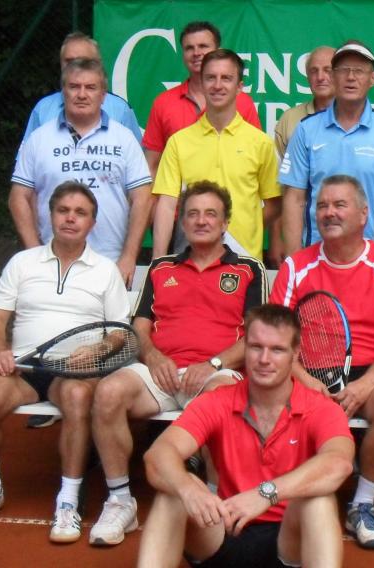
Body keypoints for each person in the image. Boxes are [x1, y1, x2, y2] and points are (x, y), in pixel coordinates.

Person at [88, 181, 267, 546]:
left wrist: (213, 363)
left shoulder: (249, 269)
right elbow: (139, 328)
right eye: (193, 214)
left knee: (223, 399)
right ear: (182, 222)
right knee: (108, 392)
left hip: (216, 374)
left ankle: (217, 502)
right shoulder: (160, 267)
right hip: (161, 375)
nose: (201, 221)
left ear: (225, 223)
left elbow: (257, 334)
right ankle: (121, 501)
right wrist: (153, 357)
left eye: (211, 214)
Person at [0, 182, 130, 544]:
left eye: (80, 213)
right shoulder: (22, 263)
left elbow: (119, 333)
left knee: (77, 397)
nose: (70, 218)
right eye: (63, 210)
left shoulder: (105, 270)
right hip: (23, 371)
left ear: (92, 222)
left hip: (73, 372)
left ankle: (67, 501)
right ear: (51, 216)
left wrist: (97, 349)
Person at [137, 304, 354, 568]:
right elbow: (158, 455)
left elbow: (338, 464)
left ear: (295, 353)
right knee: (173, 491)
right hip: (227, 529)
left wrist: (266, 494)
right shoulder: (217, 401)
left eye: (277, 350)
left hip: (289, 541)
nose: (264, 359)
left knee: (318, 500)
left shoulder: (320, 408)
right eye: (255, 347)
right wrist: (188, 488)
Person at [270, 174, 374, 549]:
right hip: (308, 372)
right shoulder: (295, 267)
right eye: (322, 206)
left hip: (372, 372)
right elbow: (275, 335)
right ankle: (283, 502)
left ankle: (361, 504)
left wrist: (366, 385)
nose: (329, 213)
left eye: (339, 205)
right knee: (269, 403)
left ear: (363, 214)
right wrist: (304, 379)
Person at [10, 57, 152, 289]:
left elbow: (143, 198)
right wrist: (35, 253)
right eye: (74, 87)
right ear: (63, 92)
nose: (82, 94)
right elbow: (18, 197)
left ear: (103, 95)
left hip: (112, 262)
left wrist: (129, 256)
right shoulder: (39, 139)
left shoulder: (124, 138)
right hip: (51, 263)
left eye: (91, 87)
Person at [279, 40, 374, 258]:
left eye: (359, 70)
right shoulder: (306, 130)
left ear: (373, 78)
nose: (351, 77)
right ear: (333, 77)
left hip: (372, 260)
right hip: (316, 259)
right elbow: (293, 199)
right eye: (343, 70)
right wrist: (294, 260)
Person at [151, 49, 280, 261]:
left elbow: (275, 203)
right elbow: (166, 205)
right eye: (211, 78)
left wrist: (247, 229)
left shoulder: (261, 143)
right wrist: (157, 262)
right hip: (190, 260)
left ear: (239, 87)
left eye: (226, 78)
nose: (218, 85)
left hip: (244, 261)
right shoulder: (178, 142)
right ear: (202, 83)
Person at [142, 21, 261, 178]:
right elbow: (152, 166)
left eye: (203, 46)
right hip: (177, 194)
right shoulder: (163, 103)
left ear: (218, 51)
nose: (196, 52)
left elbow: (256, 158)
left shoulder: (243, 102)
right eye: (189, 48)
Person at [266, 45, 336, 269]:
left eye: (327, 70)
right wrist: (277, 238)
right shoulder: (290, 120)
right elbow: (282, 187)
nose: (320, 77)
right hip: (303, 234)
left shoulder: (354, 119)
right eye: (314, 71)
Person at [19, 31, 142, 151]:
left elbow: (136, 159)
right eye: (69, 61)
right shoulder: (42, 109)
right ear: (60, 63)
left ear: (98, 64)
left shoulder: (120, 109)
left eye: (83, 62)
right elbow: (26, 161)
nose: (76, 67)